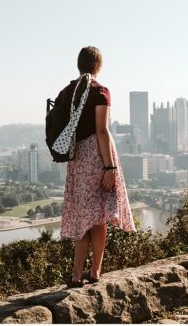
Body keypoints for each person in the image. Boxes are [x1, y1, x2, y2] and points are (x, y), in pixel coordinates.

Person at [55, 46, 135, 288]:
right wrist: (109, 167)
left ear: (79, 65)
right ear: (99, 66)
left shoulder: (68, 91)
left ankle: (76, 275)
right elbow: (102, 130)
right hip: (96, 157)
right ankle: (95, 271)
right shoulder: (100, 92)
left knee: (83, 219)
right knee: (98, 218)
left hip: (76, 159)